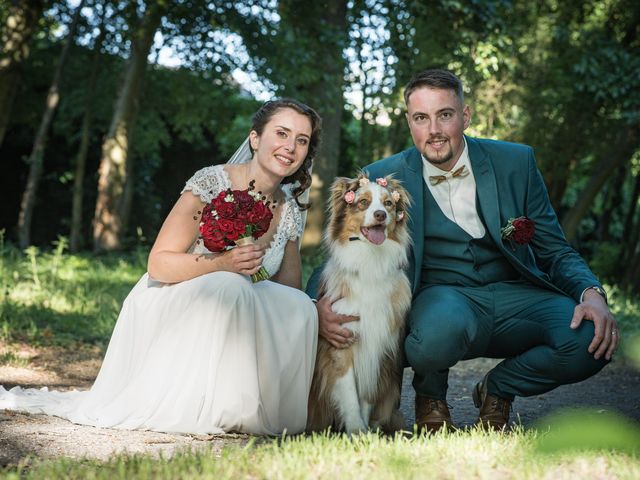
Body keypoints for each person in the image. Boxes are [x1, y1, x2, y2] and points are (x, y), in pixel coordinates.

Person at [308, 69, 618, 432]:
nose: (434, 130)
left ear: (465, 116)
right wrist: (316, 306)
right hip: (445, 299)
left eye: (445, 115)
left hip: (516, 295)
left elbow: (555, 249)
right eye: (421, 118)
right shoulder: (384, 175)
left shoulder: (515, 163)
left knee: (589, 340)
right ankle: (431, 397)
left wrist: (592, 293)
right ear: (409, 121)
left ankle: (499, 388)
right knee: (433, 336)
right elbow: (344, 248)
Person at [0, 98, 322, 436]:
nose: (290, 147)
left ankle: (272, 413)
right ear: (255, 139)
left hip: (238, 306)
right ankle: (220, 409)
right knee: (230, 284)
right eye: (282, 133)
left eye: (301, 140)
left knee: (297, 305)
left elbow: (287, 291)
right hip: (171, 299)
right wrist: (222, 263)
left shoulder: (290, 208)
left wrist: (316, 310)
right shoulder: (213, 183)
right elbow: (158, 264)